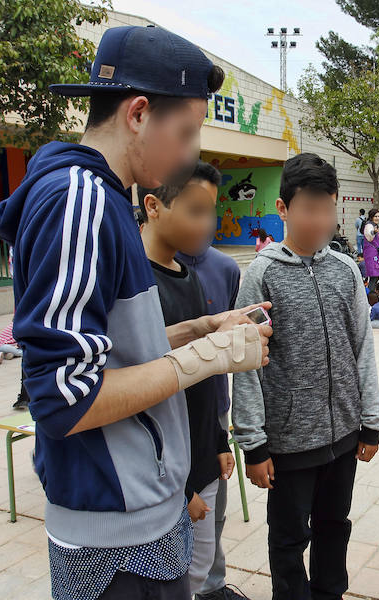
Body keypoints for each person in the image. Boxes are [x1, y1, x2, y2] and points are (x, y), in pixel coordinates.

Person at [0, 25, 272, 600]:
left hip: (134, 513)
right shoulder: (81, 200)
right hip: (114, 533)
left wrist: (198, 330)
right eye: (187, 132)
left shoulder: (101, 197)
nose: (193, 153)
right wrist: (207, 359)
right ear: (138, 113)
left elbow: (110, 347)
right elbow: (65, 395)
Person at [232, 153, 379, 600]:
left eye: (328, 208)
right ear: (283, 209)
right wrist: (253, 444)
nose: (321, 220)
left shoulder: (344, 270)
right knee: (288, 538)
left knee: (334, 528)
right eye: (309, 209)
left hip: (343, 436)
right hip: (287, 443)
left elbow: (363, 347)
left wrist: (371, 419)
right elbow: (244, 365)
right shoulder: (261, 275)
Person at [137, 161, 235, 596]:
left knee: (199, 575)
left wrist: (217, 441)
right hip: (162, 476)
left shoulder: (191, 278)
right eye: (195, 210)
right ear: (153, 206)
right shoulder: (130, 283)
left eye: (211, 211)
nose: (207, 224)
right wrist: (181, 488)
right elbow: (138, 393)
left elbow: (203, 378)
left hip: (200, 459)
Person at [175, 243, 245, 600]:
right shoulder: (140, 270)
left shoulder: (225, 268)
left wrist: (221, 436)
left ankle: (212, 584)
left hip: (212, 407)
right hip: (167, 411)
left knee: (212, 509)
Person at [361, 208, 379, 287]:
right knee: (373, 276)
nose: (377, 218)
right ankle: (370, 295)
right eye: (375, 216)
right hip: (371, 253)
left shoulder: (374, 225)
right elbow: (369, 235)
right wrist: (374, 232)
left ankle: (371, 294)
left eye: (378, 216)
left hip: (375, 252)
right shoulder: (369, 225)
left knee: (375, 276)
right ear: (371, 216)